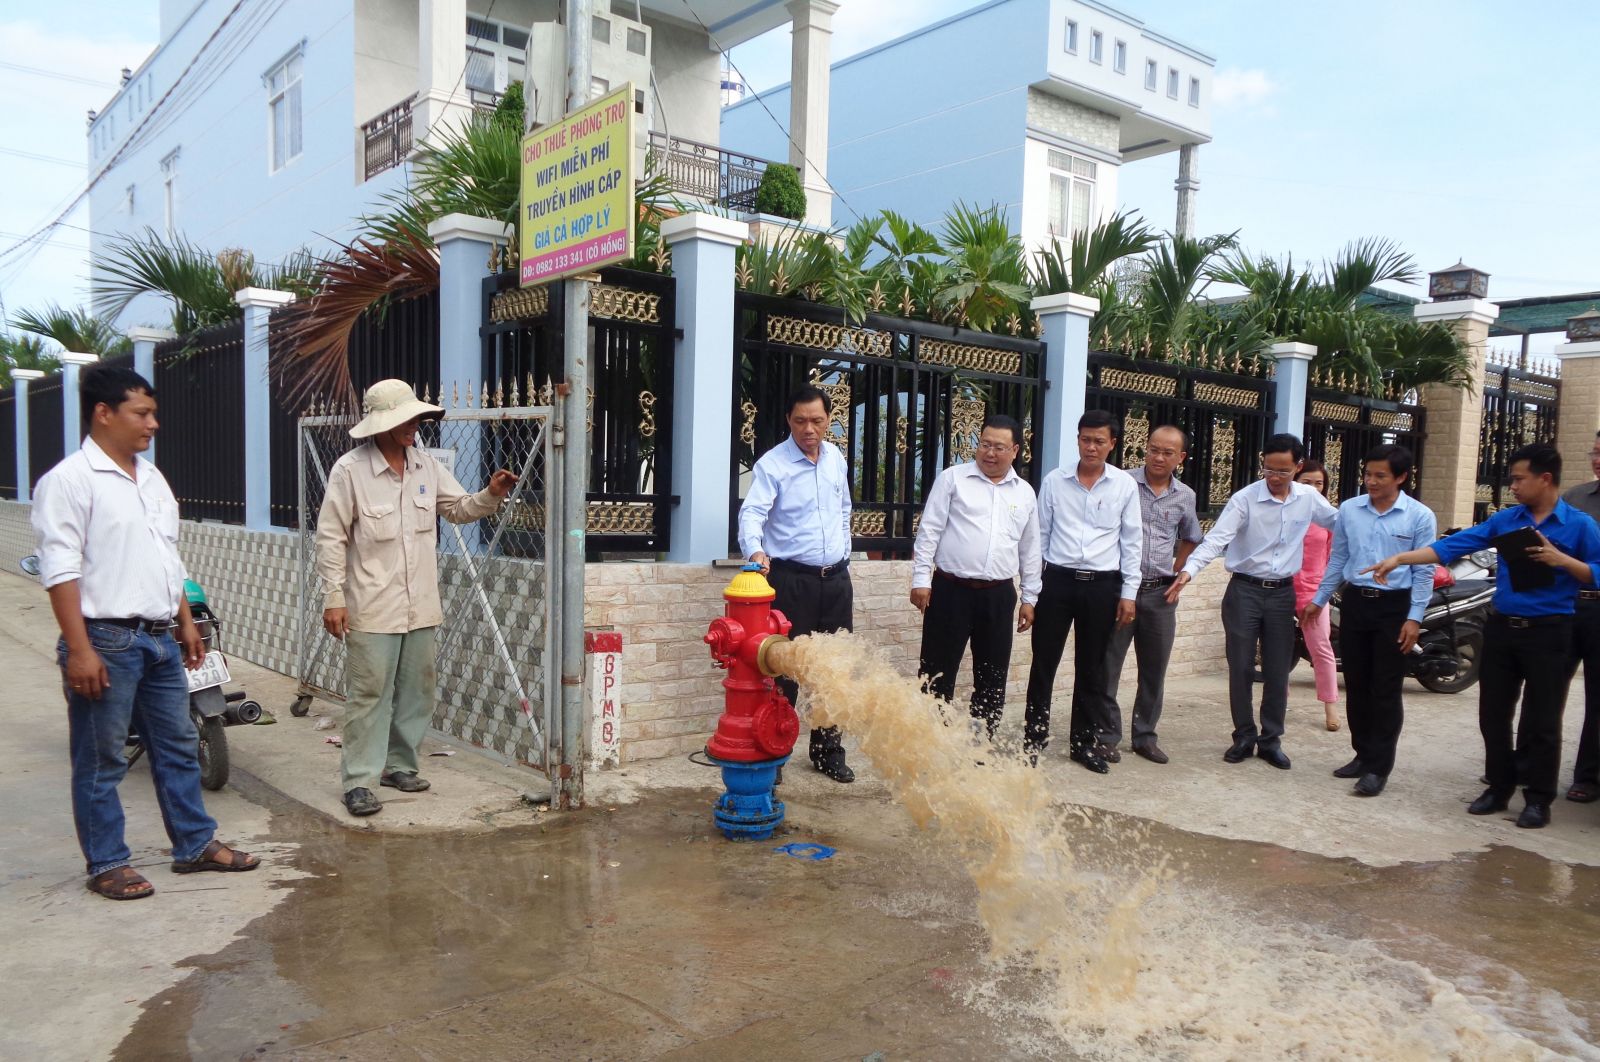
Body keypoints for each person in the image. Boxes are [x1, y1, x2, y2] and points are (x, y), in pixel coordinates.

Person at [31, 364, 261, 900]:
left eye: (154, 412)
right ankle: (107, 862)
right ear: (103, 413)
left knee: (178, 745)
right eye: (142, 412)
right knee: (103, 757)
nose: (153, 423)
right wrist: (81, 650)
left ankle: (194, 845)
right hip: (105, 639)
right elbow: (60, 570)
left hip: (160, 637)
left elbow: (166, 556)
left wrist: (184, 622)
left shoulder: (151, 478)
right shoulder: (68, 482)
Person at [1367, 442, 1600, 828]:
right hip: (1503, 628)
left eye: (1519, 479)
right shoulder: (1507, 521)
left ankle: (1538, 799)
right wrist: (1400, 558)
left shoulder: (1579, 525)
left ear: (1545, 479)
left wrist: (1563, 561)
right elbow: (1451, 546)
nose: (1513, 487)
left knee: (1542, 719)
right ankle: (1498, 787)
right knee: (1493, 714)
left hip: (1551, 631)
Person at [316, 380, 516, 817]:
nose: (416, 426)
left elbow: (459, 509)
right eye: (407, 419)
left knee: (416, 692)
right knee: (369, 694)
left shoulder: (426, 467)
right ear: (382, 425)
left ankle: (399, 766)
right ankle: (360, 781)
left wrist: (492, 494)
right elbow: (331, 539)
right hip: (371, 606)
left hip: (421, 603)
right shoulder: (350, 471)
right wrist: (334, 596)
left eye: (417, 418)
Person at [1167, 433, 1336, 770]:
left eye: (1283, 471)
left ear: (1298, 467)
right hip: (1244, 591)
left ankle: (1271, 740)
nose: (1274, 478)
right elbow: (1217, 540)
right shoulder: (1245, 499)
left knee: (1277, 670)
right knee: (1241, 666)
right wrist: (1188, 572)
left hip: (1282, 592)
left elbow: (1341, 522)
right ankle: (1244, 736)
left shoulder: (1308, 499)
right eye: (1269, 470)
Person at [1302, 445, 1436, 797]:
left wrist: (1414, 619)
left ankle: (1379, 766)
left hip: (1396, 608)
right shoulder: (1349, 509)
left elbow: (1424, 573)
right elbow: (1339, 557)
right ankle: (1362, 755)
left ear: (1401, 477)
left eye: (1380, 476)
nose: (1371, 482)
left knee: (1385, 688)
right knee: (1357, 683)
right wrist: (1318, 600)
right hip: (1357, 603)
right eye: (1367, 474)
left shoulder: (1419, 516)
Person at [738, 386, 856, 783]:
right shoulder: (773, 464)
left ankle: (828, 751)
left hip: (835, 580)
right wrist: (755, 551)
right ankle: (776, 752)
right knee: (784, 672)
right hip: (792, 581)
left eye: (817, 421)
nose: (810, 429)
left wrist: (845, 552)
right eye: (801, 421)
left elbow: (844, 509)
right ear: (789, 420)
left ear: (828, 420)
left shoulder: (835, 457)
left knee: (832, 670)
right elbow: (752, 511)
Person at [910, 415, 1041, 740]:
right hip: (950, 591)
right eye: (985, 444)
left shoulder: (1024, 493)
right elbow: (930, 531)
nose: (990, 453)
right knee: (936, 672)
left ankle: (980, 746)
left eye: (998, 447)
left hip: (997, 596)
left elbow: (1031, 548)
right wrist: (921, 579)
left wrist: (1029, 598)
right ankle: (930, 742)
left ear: (1014, 450)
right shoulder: (953, 479)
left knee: (992, 674)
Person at [1026, 409, 1141, 773]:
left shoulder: (1123, 486)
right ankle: (1034, 738)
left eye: (1099, 441)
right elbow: (1039, 537)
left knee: (1091, 668)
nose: (1091, 447)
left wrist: (1129, 592)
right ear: (1077, 439)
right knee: (1044, 662)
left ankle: (1082, 743)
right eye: (1085, 439)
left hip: (1102, 586)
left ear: (1112, 444)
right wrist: (1032, 590)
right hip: (1057, 583)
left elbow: (1132, 541)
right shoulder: (1055, 481)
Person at [1096, 424, 1202, 765]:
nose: (1158, 457)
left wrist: (1178, 571)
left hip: (1159, 594)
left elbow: (1191, 535)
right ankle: (1106, 736)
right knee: (1107, 666)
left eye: (1168, 452)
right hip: (1118, 591)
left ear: (1181, 458)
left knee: (1154, 669)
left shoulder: (1185, 495)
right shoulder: (1122, 482)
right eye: (1153, 449)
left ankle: (1145, 737)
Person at [1558, 430, 1600, 805]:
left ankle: (1588, 776)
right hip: (1568, 606)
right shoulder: (1575, 498)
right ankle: (1529, 764)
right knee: (1546, 687)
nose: (1597, 459)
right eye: (1596, 452)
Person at [1293, 460, 1341, 733]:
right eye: (1306, 482)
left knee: (1321, 649)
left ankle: (1330, 704)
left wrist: (1323, 593)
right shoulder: (1285, 511)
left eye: (1318, 483)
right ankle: (1278, 703)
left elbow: (1335, 559)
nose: (1312, 488)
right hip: (1282, 589)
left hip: (1314, 593)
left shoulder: (1330, 519)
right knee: (1278, 651)